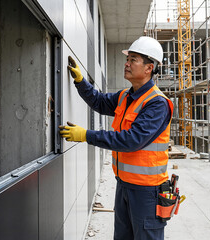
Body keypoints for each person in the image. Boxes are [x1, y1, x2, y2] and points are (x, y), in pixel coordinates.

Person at [59, 36, 173, 240]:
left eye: (133, 59)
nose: (126, 64)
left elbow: (131, 140)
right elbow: (99, 101)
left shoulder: (157, 104)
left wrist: (86, 135)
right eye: (127, 58)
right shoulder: (125, 97)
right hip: (124, 184)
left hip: (147, 191)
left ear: (149, 67)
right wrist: (80, 81)